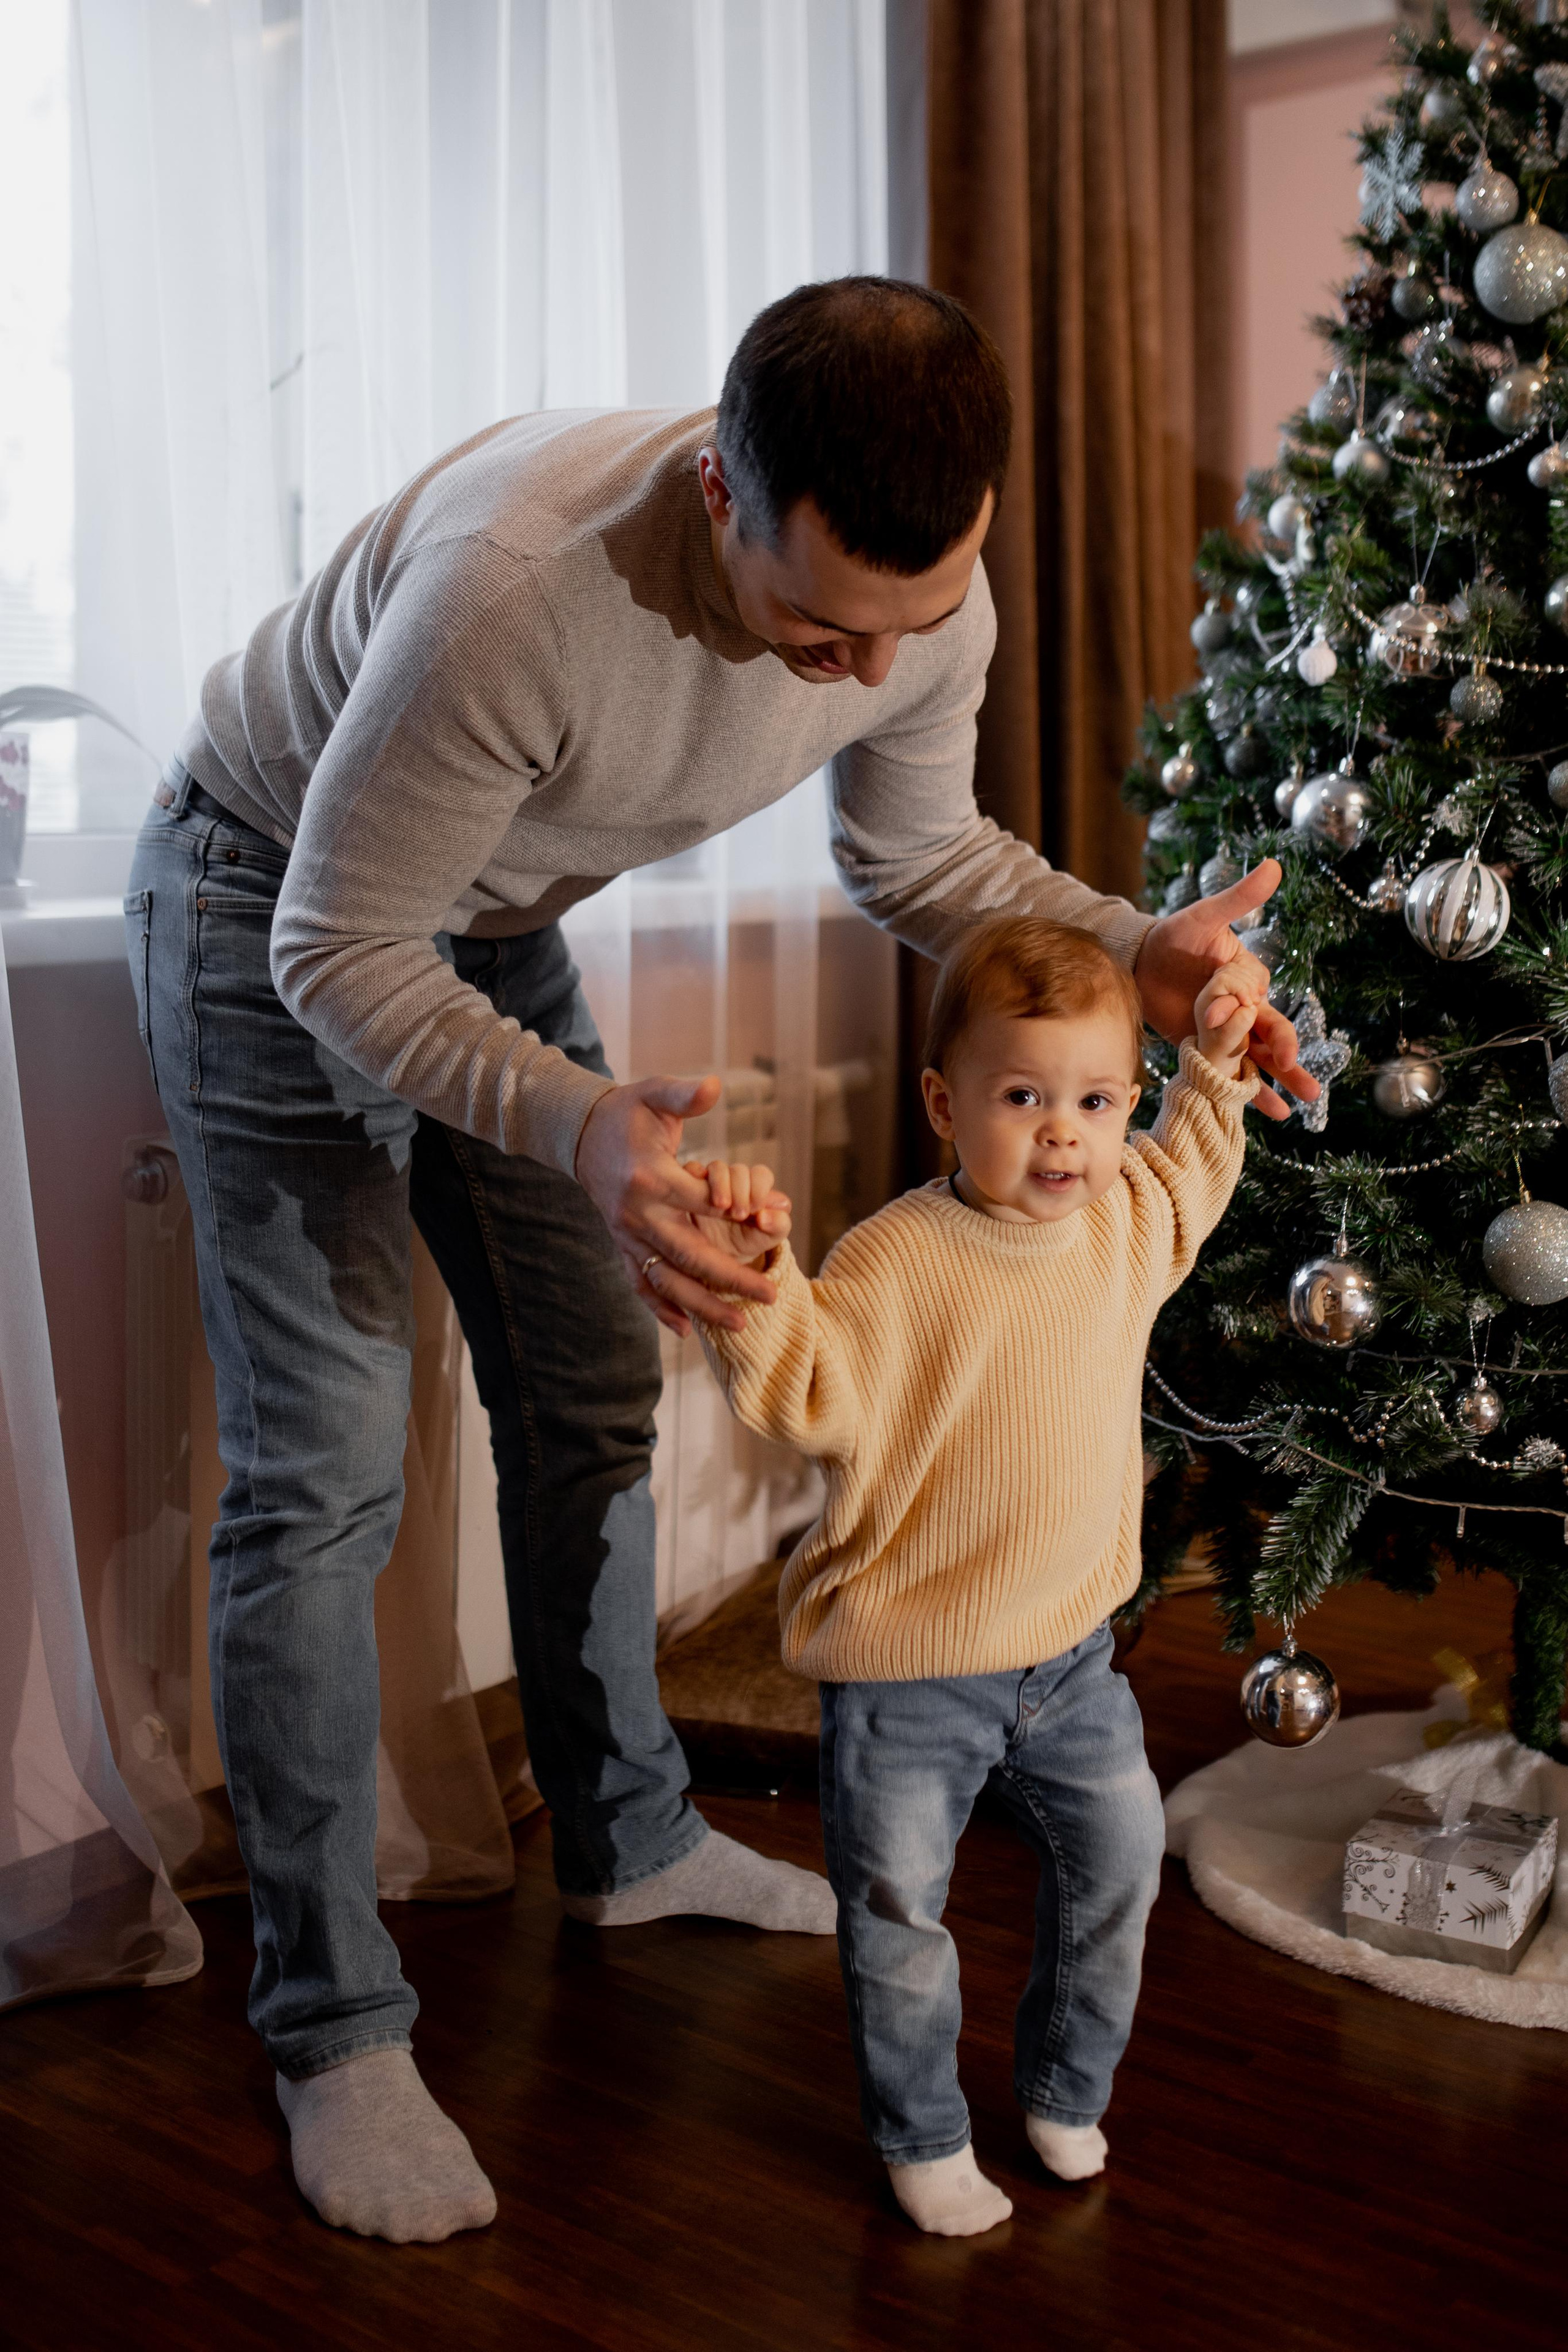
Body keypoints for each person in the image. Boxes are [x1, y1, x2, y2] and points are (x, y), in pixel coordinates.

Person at [124, 274, 1312, 2245]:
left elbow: (910, 862)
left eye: (908, 625)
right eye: (812, 624)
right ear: (715, 492)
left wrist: (1131, 949)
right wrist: (582, 1127)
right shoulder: (521, 592)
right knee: (324, 1473)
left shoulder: (922, 594)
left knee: (587, 1384)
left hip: (484, 921)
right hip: (275, 899)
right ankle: (333, 2021)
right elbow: (338, 951)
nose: (859, 668)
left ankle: (631, 1838)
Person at [692, 916, 1265, 2236]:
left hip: (1070, 1659)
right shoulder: (896, 1261)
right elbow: (808, 1390)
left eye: (1093, 1100)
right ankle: (920, 2129)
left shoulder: (1122, 1216)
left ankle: (1065, 2088)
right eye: (1023, 1098)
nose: (1063, 1133)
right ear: (947, 1105)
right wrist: (755, 1279)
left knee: (1121, 1862)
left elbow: (1189, 1172)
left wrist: (1217, 1066)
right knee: (897, 1916)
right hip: (906, 1671)